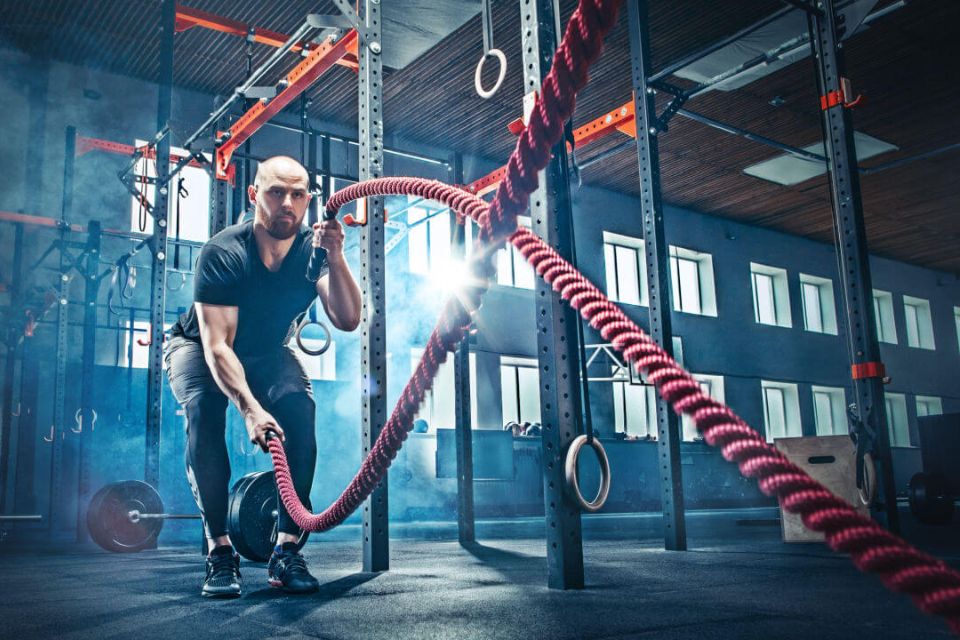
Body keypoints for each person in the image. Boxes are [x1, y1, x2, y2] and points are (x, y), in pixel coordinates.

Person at [164, 156, 361, 598]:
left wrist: (337, 254)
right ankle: (220, 551)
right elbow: (218, 346)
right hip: (200, 347)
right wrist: (251, 409)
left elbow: (348, 318)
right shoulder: (224, 252)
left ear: (308, 200)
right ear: (254, 195)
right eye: (276, 192)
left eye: (296, 194)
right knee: (205, 409)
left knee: (298, 411)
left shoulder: (314, 253)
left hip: (267, 351)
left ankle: (286, 551)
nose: (286, 203)